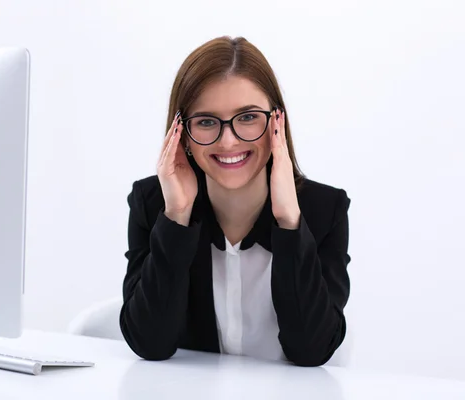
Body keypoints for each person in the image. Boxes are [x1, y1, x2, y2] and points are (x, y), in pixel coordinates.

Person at [120, 36, 351, 367]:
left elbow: (311, 351)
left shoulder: (323, 210)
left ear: (276, 122)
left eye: (247, 118)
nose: (228, 141)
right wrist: (177, 217)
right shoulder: (154, 203)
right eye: (206, 122)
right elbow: (150, 344)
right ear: (181, 133)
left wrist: (289, 222)